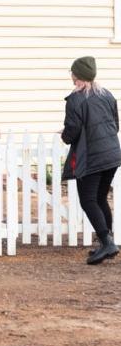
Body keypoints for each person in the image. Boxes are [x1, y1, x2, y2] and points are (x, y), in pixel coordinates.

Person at [61, 56, 121, 265]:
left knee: (88, 200)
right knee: (100, 197)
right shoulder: (107, 95)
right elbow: (115, 125)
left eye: (72, 72)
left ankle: (107, 243)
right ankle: (107, 241)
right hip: (112, 154)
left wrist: (64, 136)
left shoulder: (75, 99)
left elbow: (72, 131)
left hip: (92, 157)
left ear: (77, 76)